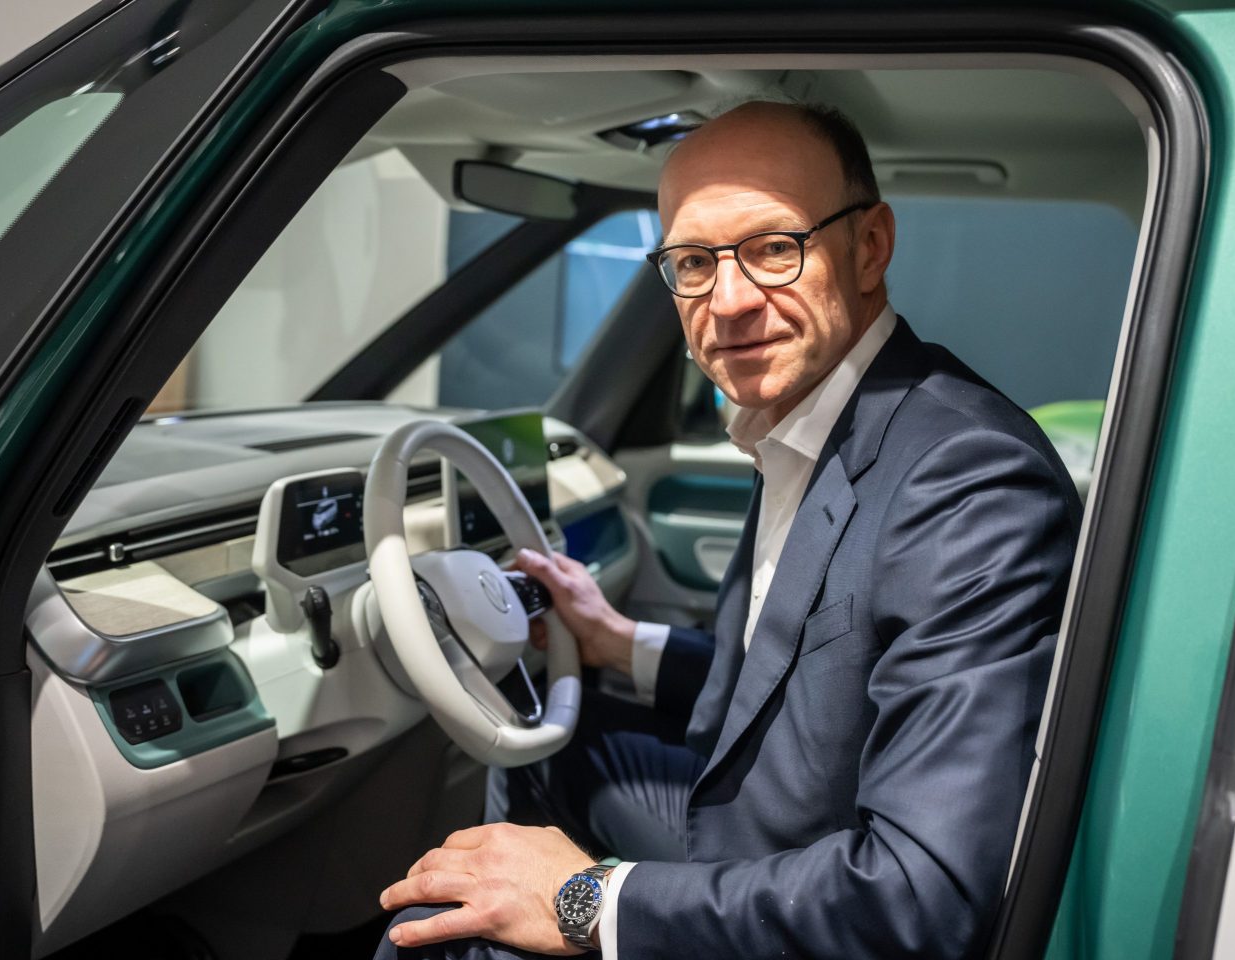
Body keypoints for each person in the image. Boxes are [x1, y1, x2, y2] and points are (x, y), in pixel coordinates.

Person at [374, 100, 1080, 959]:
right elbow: (806, 680)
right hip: (768, 830)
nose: (732, 301)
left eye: (775, 248)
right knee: (545, 753)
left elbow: (920, 897)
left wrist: (582, 902)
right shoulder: (808, 417)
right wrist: (620, 641)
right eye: (695, 262)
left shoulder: (965, 478)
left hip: (824, 890)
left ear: (871, 248)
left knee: (427, 937)